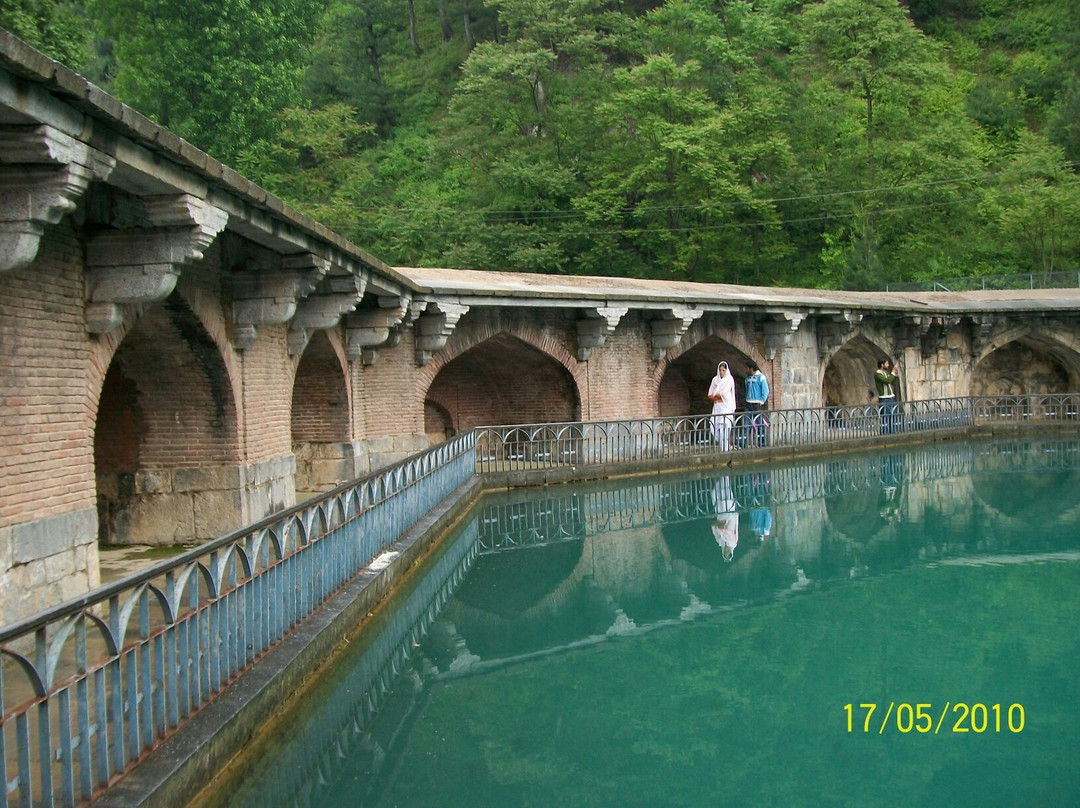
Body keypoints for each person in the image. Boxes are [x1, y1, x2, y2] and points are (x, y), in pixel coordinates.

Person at [708, 361, 736, 450]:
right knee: (715, 426)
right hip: (717, 406)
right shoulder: (715, 380)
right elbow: (710, 394)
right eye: (720, 370)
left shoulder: (729, 379)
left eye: (723, 370)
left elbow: (723, 393)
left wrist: (717, 395)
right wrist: (714, 397)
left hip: (725, 406)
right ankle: (723, 446)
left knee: (725, 426)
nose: (721, 372)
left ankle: (726, 448)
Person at [711, 475, 740, 562]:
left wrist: (717, 525)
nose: (726, 550)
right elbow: (728, 532)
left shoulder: (720, 542)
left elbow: (714, 529)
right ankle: (725, 474)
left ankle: (719, 476)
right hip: (729, 514)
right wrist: (721, 528)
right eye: (728, 552)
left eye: (725, 552)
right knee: (725, 493)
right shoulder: (733, 542)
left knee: (716, 493)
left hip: (720, 514)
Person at [743, 361, 770, 447]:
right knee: (746, 424)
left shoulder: (761, 377)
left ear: (751, 368)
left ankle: (762, 442)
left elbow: (765, 391)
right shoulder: (747, 377)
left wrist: (761, 402)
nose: (745, 369)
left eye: (747, 368)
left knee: (760, 424)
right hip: (748, 403)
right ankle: (743, 443)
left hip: (757, 404)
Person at [874, 358, 900, 435]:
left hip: (891, 398)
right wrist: (892, 372)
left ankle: (892, 432)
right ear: (882, 365)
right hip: (884, 399)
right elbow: (887, 381)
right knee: (886, 417)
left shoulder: (885, 373)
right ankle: (885, 433)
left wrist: (895, 375)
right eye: (886, 364)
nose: (888, 365)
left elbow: (891, 382)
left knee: (892, 416)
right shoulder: (878, 373)